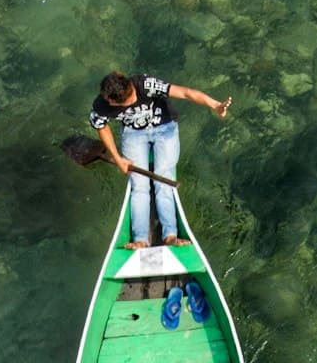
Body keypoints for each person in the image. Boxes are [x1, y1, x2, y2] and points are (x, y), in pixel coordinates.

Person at [89, 71, 232, 249]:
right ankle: (140, 239)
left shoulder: (146, 85)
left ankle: (170, 236)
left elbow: (185, 93)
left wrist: (215, 104)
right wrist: (117, 158)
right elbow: (101, 126)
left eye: (111, 101)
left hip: (165, 128)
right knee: (139, 186)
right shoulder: (102, 104)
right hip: (134, 133)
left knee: (163, 181)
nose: (107, 102)